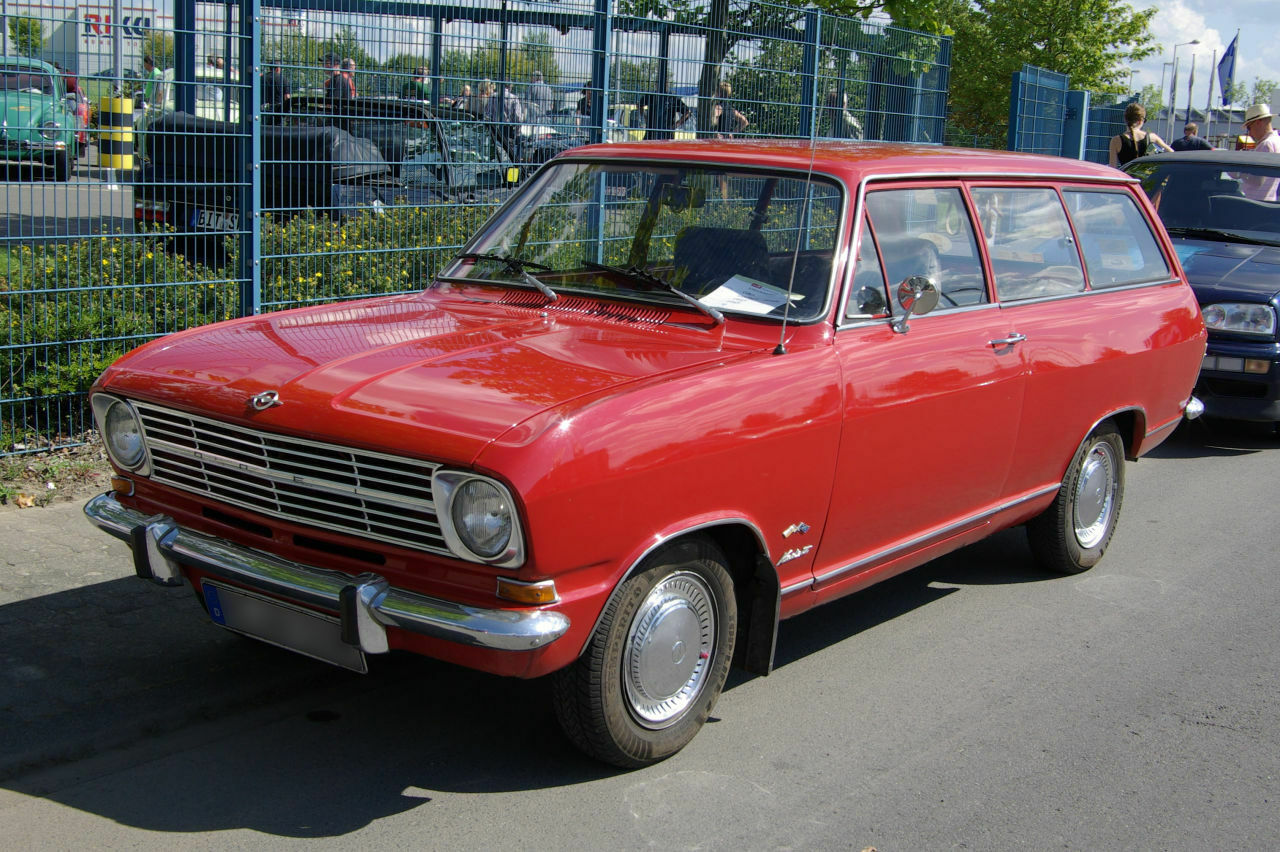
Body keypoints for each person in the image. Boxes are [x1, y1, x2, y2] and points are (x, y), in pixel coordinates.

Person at [1108, 102, 1169, 167]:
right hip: (1144, 176)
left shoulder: (1116, 140)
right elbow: (1171, 153)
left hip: (1126, 176)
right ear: (1140, 121)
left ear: (1125, 119)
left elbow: (1113, 167)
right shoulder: (1152, 137)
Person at [1240, 104, 1279, 201]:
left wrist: (1238, 171)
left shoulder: (1266, 145)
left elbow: (1258, 181)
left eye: (1249, 128)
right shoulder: (1277, 141)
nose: (1249, 133)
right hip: (1269, 201)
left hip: (1255, 204)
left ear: (1258, 122)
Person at [487, 82, 525, 148]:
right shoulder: (514, 98)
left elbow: (487, 113)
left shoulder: (493, 96)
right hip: (508, 129)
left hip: (494, 127)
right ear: (510, 87)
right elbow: (518, 117)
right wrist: (517, 131)